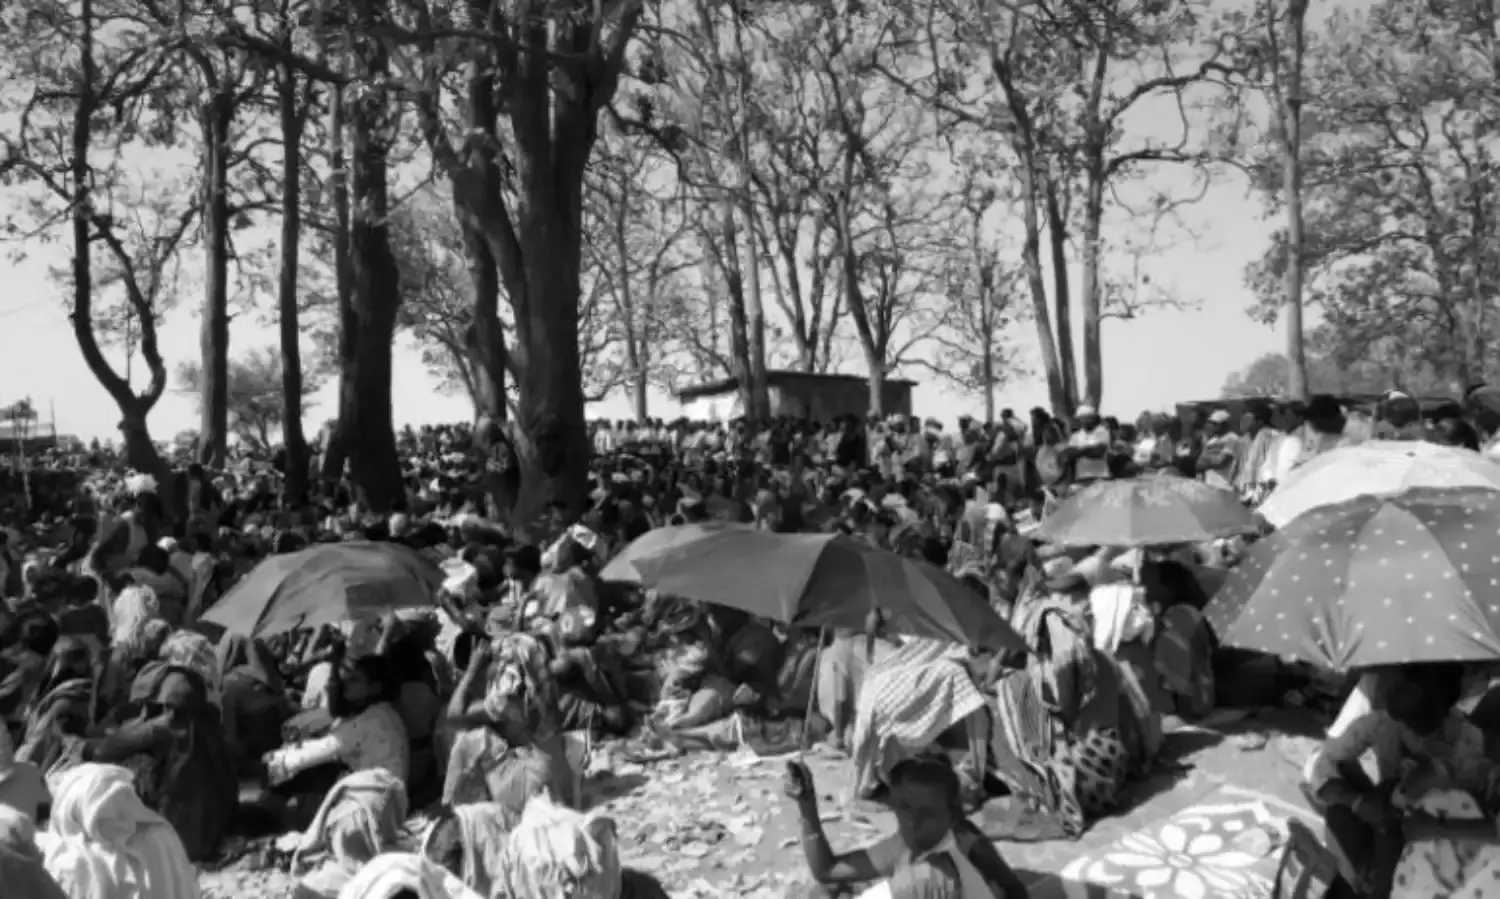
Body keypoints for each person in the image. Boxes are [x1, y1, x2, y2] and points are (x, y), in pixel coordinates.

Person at [1304, 663, 1481, 897]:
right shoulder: (1383, 724)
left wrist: (1437, 769)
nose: (1390, 694)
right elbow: (1317, 764)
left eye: (1403, 689)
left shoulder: (1467, 741)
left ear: (1438, 694)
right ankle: (1359, 881)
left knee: (1394, 810)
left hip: (1436, 837)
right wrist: (1358, 801)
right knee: (1345, 799)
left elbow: (1469, 813)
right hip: (1387, 819)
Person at [785, 753, 1028, 898]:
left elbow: (1014, 890)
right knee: (823, 891)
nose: (912, 821)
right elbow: (828, 871)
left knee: (920, 880)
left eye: (927, 812)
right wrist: (807, 807)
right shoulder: (905, 844)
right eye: (904, 807)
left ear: (953, 814)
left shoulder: (962, 843)